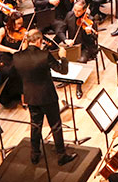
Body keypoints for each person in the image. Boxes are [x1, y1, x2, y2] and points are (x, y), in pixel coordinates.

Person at [10, 29, 77, 166]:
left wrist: (23, 94)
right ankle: (61, 155)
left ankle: (34, 155)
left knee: (35, 125)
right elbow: (63, 70)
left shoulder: (17, 56)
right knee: (56, 125)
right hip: (47, 96)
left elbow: (16, 78)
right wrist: (63, 57)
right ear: (39, 41)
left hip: (31, 97)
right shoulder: (44, 55)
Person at [0, 12, 25, 108]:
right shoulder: (3, 30)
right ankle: (7, 96)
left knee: (20, 68)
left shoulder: (22, 32)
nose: (20, 26)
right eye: (18, 23)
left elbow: (24, 49)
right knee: (6, 71)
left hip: (17, 56)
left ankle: (22, 96)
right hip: (6, 55)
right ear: (11, 23)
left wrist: (25, 41)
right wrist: (10, 50)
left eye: (21, 23)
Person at [59, 0, 98, 67]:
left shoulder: (90, 20)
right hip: (73, 46)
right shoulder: (69, 15)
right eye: (75, 10)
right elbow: (61, 30)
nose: (76, 13)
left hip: (86, 48)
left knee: (80, 61)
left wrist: (89, 33)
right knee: (60, 56)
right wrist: (66, 40)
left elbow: (94, 38)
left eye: (79, 11)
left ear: (85, 10)